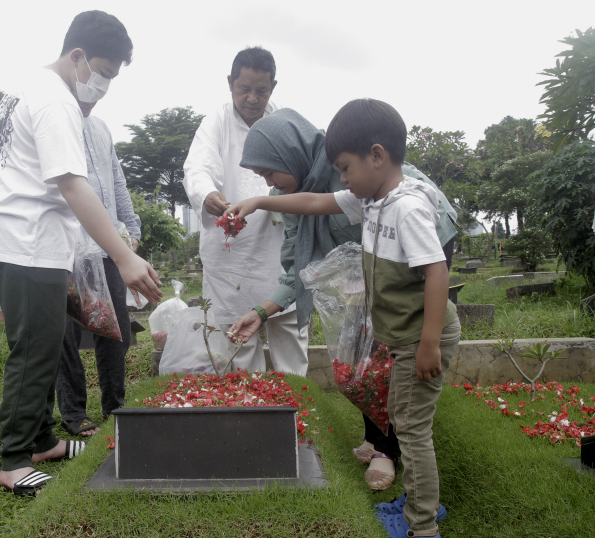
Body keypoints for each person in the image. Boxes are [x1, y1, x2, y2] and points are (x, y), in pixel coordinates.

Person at [228, 99, 461, 538]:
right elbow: (314, 206)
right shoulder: (368, 200)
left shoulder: (402, 205)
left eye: (347, 168)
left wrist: (428, 341)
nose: (344, 178)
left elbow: (435, 271)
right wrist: (260, 199)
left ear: (376, 156)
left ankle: (422, 524)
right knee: (391, 402)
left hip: (419, 329)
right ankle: (411, 492)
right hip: (399, 320)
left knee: (412, 428)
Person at [0, 10, 162, 497]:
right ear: (77, 56)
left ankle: (42, 442)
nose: (103, 86)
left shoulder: (29, 88)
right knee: (35, 349)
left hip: (26, 236)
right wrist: (123, 256)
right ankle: (14, 460)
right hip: (25, 239)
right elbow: (74, 186)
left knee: (45, 337)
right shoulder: (55, 100)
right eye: (103, 73)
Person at [182, 47, 310, 375]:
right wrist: (207, 194)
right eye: (244, 89)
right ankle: (245, 416)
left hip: (279, 248)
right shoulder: (216, 122)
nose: (253, 98)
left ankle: (296, 415)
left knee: (291, 343)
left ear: (273, 87)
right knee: (238, 348)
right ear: (230, 83)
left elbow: (308, 170)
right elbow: (197, 168)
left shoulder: (284, 122)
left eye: (262, 90)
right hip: (232, 259)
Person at [55, 107, 141, 438]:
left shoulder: (101, 128)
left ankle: (114, 405)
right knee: (66, 333)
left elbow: (116, 179)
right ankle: (74, 411)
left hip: (108, 243)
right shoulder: (55, 119)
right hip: (66, 243)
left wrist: (131, 227)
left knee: (114, 328)